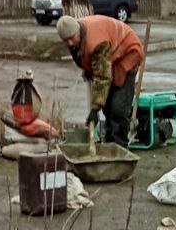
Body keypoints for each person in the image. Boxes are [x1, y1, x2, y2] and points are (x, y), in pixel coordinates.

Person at [57, 14, 144, 146]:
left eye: (71, 38)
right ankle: (109, 143)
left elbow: (103, 77)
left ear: (77, 31)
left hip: (128, 52)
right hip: (111, 56)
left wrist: (95, 108)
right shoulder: (76, 39)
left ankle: (119, 147)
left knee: (118, 107)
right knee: (108, 106)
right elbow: (92, 64)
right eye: (65, 40)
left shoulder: (97, 42)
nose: (69, 43)